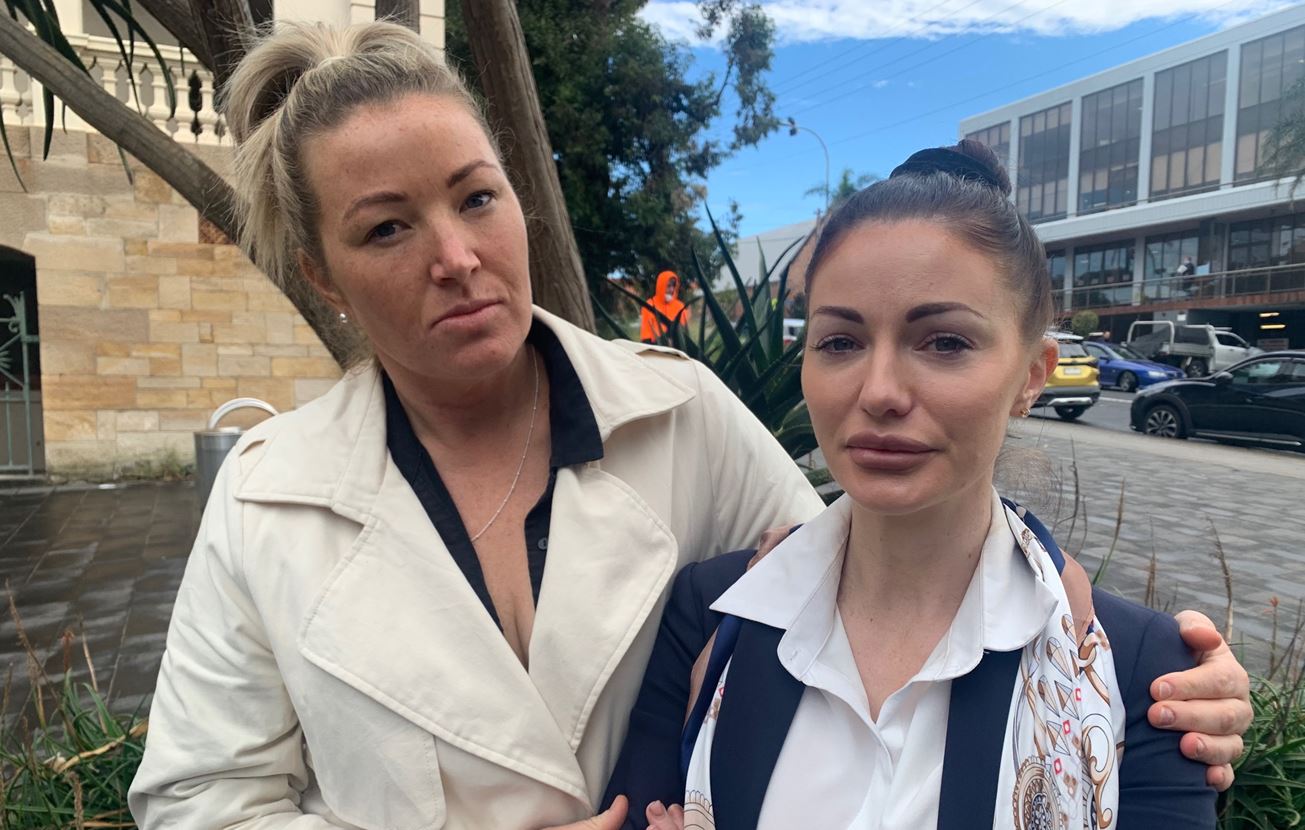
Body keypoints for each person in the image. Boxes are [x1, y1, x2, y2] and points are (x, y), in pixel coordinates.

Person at [129, 23, 1249, 830]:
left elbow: (877, 564)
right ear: (321, 274)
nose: (457, 256)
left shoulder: (680, 415)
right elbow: (197, 797)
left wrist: (1121, 662)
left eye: (476, 197)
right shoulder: (268, 496)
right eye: (387, 228)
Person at [607, 143, 1222, 829]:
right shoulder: (711, 617)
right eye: (840, 342)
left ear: (1031, 375)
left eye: (944, 342)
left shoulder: (1137, 669)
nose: (879, 392)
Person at [640, 270, 690, 343]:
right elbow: (646, 334)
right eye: (668, 286)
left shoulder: (680, 306)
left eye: (673, 286)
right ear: (661, 286)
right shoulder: (649, 305)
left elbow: (684, 333)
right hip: (656, 346)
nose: (672, 289)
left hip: (677, 346)